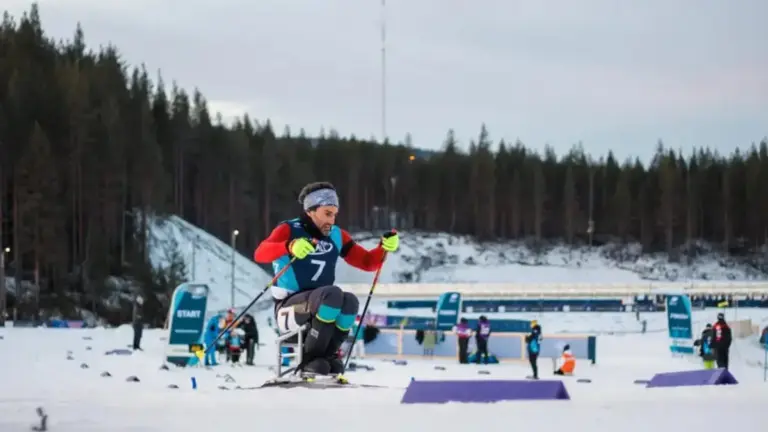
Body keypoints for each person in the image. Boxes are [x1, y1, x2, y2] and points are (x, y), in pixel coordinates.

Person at [253, 181, 400, 376]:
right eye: (327, 214)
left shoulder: (337, 235)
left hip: (321, 304)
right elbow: (260, 253)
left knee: (349, 302)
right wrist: (289, 246)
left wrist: (383, 247)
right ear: (311, 211)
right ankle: (309, 359)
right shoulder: (288, 229)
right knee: (332, 295)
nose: (331, 220)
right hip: (288, 309)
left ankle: (328, 356)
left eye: (334, 214)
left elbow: (366, 262)